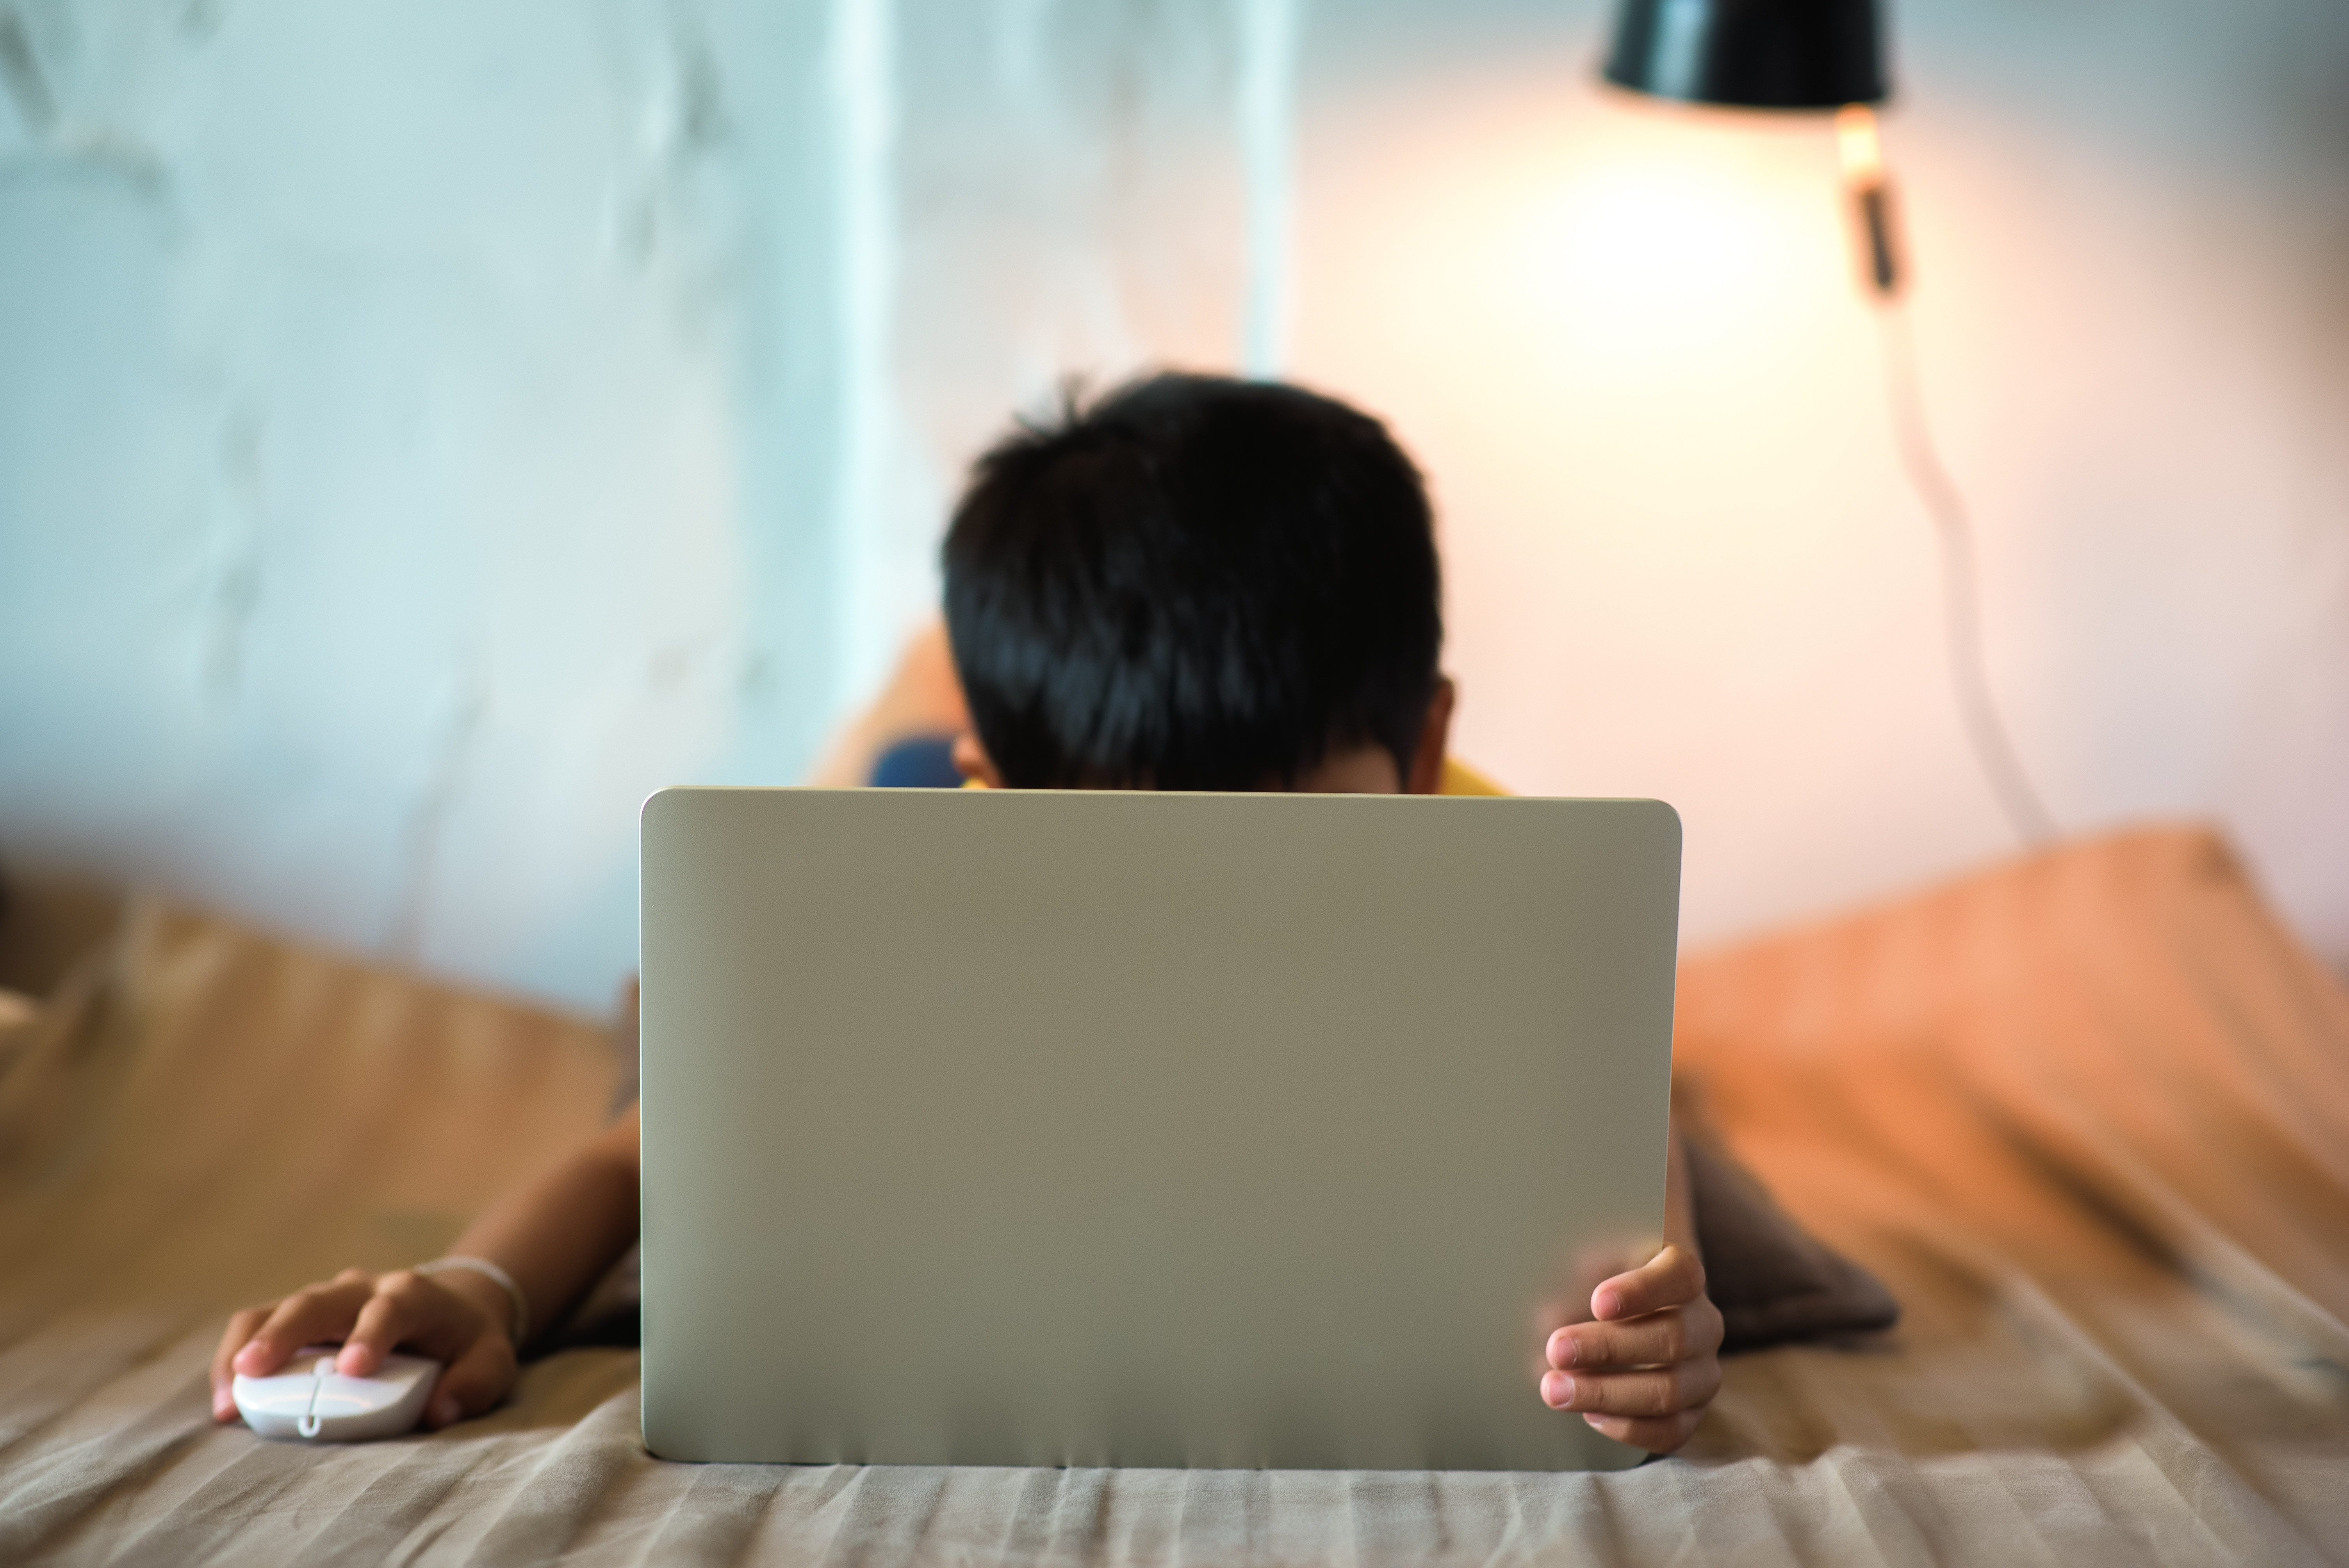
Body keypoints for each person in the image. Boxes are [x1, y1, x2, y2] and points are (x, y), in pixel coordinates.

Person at [212, 373, 1725, 1456]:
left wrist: (1671, 1321)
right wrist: (482, 1287)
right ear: (997, 789)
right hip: (915, 832)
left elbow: (1624, 1150)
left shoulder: (1514, 881)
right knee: (728, 1003)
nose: (1215, 901)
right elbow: (652, 1143)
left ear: (1417, 741)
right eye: (1134, 843)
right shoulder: (934, 870)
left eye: (1289, 826)